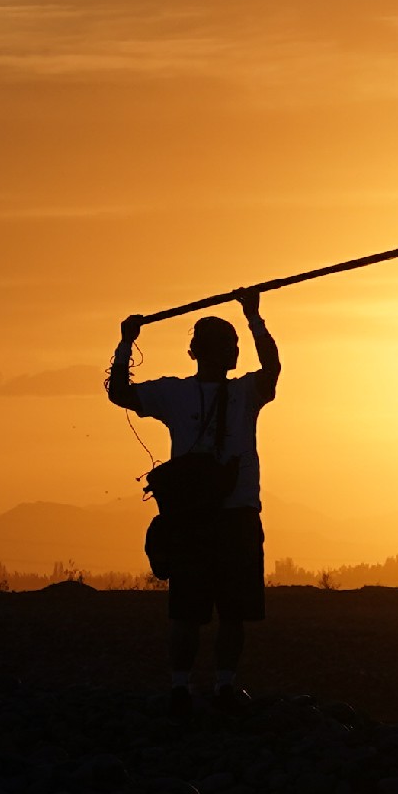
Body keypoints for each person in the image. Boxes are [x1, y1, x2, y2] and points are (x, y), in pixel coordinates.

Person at [110, 291, 280, 720]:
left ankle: (184, 690)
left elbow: (119, 393)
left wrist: (127, 341)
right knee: (229, 613)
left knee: (194, 612)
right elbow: (273, 369)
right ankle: (218, 687)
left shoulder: (174, 394)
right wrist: (254, 315)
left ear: (193, 352)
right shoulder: (243, 392)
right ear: (227, 354)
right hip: (232, 516)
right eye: (231, 346)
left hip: (196, 519)